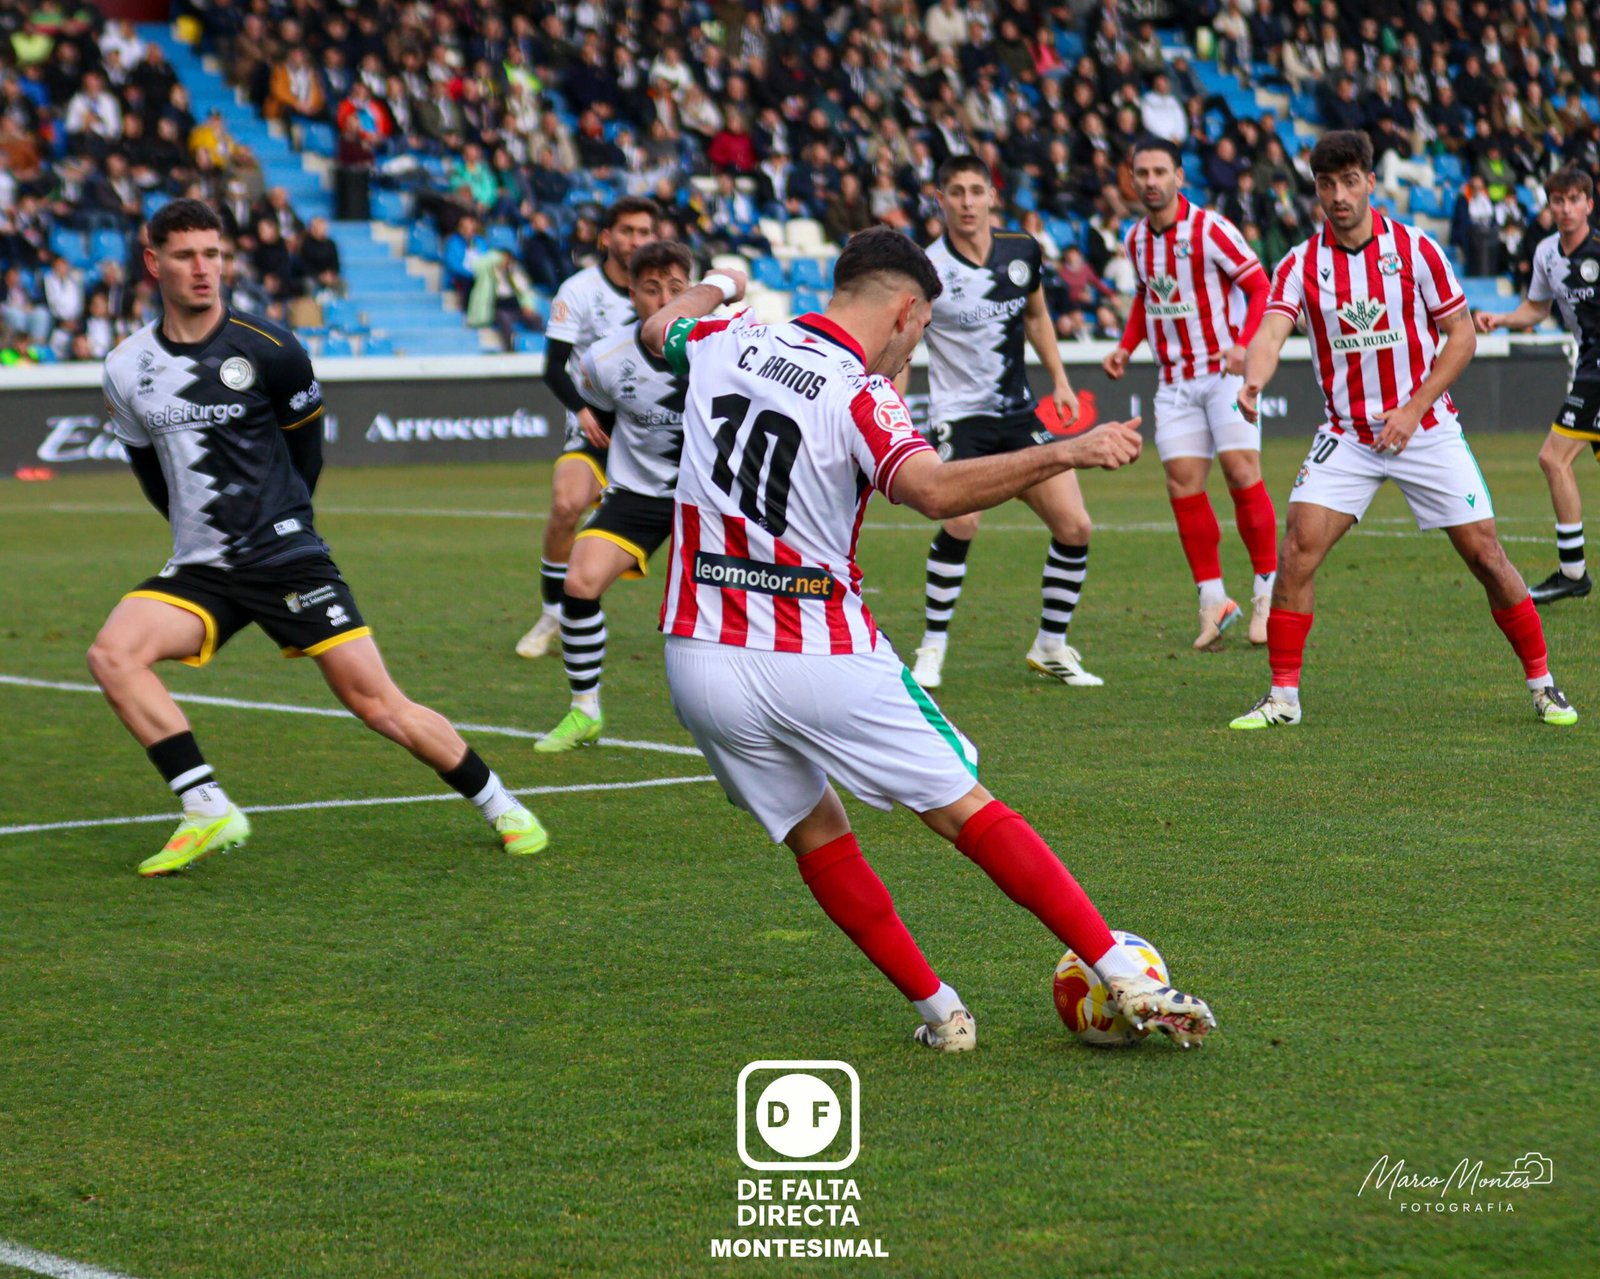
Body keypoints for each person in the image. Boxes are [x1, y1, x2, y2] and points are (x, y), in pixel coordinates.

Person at [640, 227, 1215, 1050]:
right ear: (907, 309)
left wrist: (722, 281)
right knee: (965, 810)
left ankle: (941, 1012)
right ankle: (1122, 971)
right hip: (817, 649)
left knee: (818, 833)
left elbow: (658, 330)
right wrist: (1069, 450)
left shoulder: (730, 337)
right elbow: (936, 491)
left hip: (699, 656)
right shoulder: (859, 391)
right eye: (923, 329)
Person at [89, 199, 549, 876]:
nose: (203, 268)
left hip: (285, 557)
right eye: (185, 255)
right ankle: (206, 805)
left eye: (213, 253)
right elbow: (149, 473)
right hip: (203, 564)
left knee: (378, 704)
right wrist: (197, 535)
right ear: (153, 262)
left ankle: (502, 802)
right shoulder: (127, 366)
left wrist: (284, 522)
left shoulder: (270, 346)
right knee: (112, 654)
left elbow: (306, 455)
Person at [1232, 132, 1577, 730]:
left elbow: (1462, 336)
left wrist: (1413, 408)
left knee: (1487, 556)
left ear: (1370, 181)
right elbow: (1269, 332)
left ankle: (1543, 684)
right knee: (1297, 551)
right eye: (1325, 185)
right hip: (1348, 435)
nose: (1337, 196)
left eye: (1348, 182)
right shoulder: (1300, 263)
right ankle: (1283, 698)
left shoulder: (1415, 250)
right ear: (1315, 190)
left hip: (1426, 428)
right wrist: (1253, 382)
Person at [909, 155, 1097, 691]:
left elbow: (1036, 315)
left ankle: (1051, 646)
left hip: (1018, 414)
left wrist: (1059, 381)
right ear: (939, 198)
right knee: (963, 520)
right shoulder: (927, 269)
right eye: (955, 192)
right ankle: (933, 646)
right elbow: (904, 342)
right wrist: (892, 405)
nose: (967, 202)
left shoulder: (1022, 251)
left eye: (975, 191)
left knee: (1075, 526)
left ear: (992, 195)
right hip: (960, 419)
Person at [1105, 137, 1278, 648]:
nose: (1152, 181)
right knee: (1182, 485)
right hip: (1174, 380)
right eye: (1143, 173)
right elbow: (1146, 298)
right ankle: (1213, 601)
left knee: (1242, 472)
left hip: (1225, 374)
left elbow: (1260, 287)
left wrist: (1245, 346)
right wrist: (1125, 345)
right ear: (1132, 179)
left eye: (1161, 171)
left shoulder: (1211, 229)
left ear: (1180, 176)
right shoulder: (1136, 239)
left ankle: (1268, 595)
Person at [534, 240, 693, 751]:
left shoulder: (725, 348)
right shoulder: (604, 358)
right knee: (579, 580)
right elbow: (599, 422)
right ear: (632, 295)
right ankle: (584, 710)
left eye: (676, 288)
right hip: (642, 494)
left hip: (713, 497)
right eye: (651, 289)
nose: (664, 298)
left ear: (693, 291)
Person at [516, 196, 659, 660]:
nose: (635, 240)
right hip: (594, 428)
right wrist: (581, 410)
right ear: (606, 237)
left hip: (657, 436)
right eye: (627, 231)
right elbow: (553, 367)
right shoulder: (579, 291)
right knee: (566, 503)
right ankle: (551, 613)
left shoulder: (671, 294)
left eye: (643, 232)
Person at [1473, 167, 1600, 605]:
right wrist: (1502, 320)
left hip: (1597, 372)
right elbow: (1536, 307)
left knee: (1553, 458)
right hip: (1587, 365)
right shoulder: (1547, 252)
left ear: (1589, 204)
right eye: (1557, 201)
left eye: (1573, 199)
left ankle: (1572, 571)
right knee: (1556, 462)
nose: (1565, 208)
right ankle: (1573, 571)